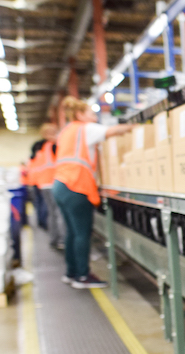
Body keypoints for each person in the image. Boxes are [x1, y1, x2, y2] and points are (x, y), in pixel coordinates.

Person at [53, 96, 133, 289]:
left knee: (72, 232)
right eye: (91, 112)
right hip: (76, 185)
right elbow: (114, 131)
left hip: (61, 184)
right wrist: (137, 126)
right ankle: (82, 276)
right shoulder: (85, 128)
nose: (95, 116)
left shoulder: (66, 131)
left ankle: (71, 273)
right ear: (80, 114)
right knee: (82, 232)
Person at [34, 123, 66, 249]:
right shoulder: (53, 146)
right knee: (59, 213)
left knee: (52, 212)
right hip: (54, 183)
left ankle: (53, 238)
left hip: (44, 184)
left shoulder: (42, 148)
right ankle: (62, 239)